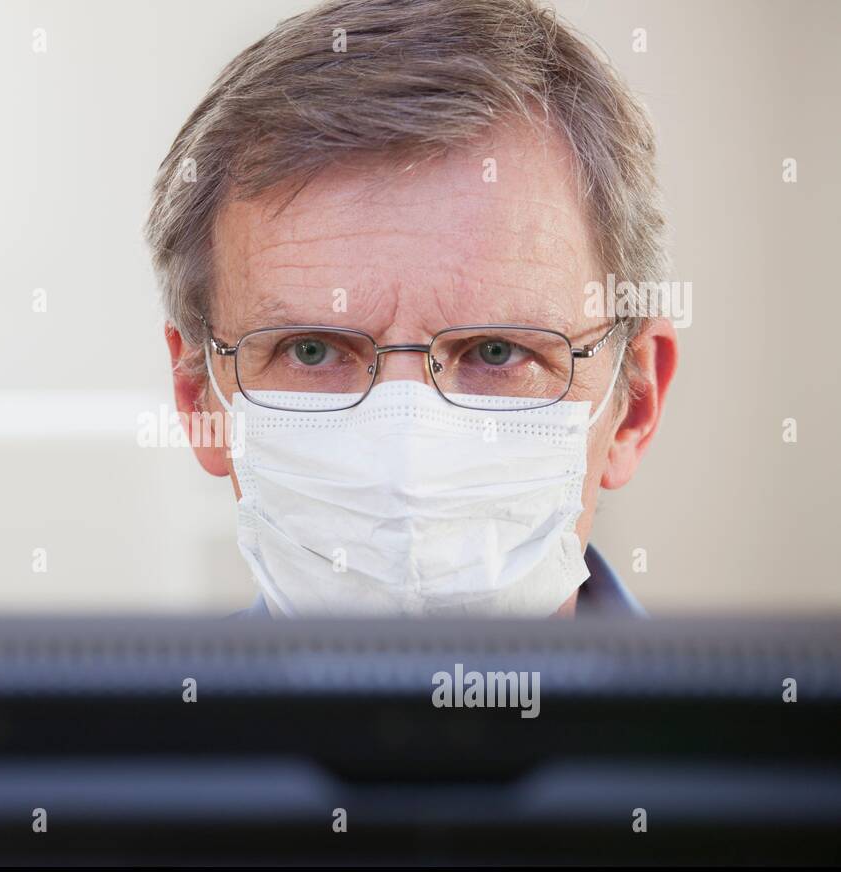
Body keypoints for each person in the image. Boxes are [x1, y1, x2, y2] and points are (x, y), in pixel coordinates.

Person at [145, 0, 678, 618]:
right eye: (310, 351)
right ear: (196, 396)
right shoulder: (110, 719)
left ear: (634, 402)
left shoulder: (770, 716)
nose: (405, 468)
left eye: (497, 352)